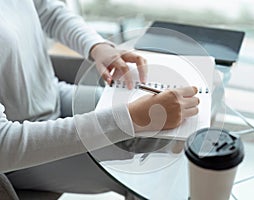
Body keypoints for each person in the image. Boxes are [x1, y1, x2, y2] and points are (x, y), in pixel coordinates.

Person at [0, 0, 199, 198]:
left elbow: (46, 9)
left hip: (53, 95)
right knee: (145, 168)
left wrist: (97, 45)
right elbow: (4, 144)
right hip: (24, 155)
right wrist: (130, 119)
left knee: (164, 137)